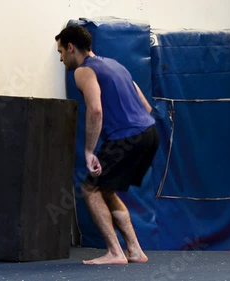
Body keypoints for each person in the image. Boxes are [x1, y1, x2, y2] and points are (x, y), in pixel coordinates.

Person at [55, 24, 159, 265]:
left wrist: (89, 150)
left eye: (61, 52)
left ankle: (115, 252)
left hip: (127, 136)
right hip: (149, 133)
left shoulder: (83, 71)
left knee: (89, 190)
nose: (61, 58)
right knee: (105, 189)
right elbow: (145, 106)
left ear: (71, 48)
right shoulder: (115, 65)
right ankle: (134, 250)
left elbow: (96, 109)